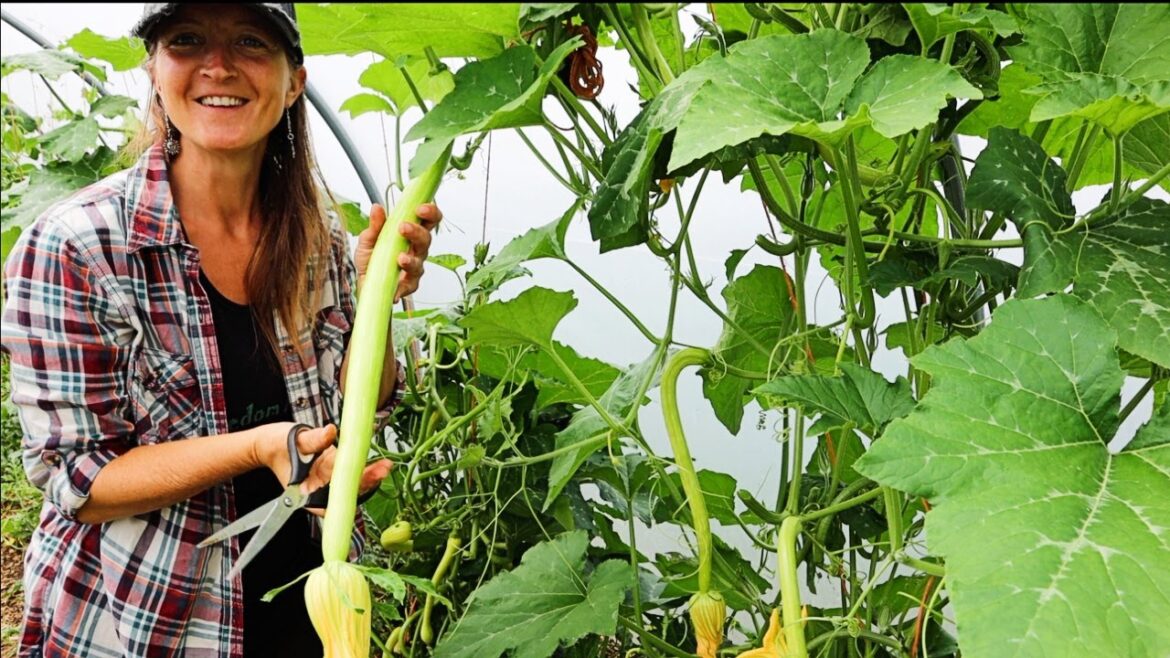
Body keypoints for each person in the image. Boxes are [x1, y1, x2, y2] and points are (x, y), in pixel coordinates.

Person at [0, 3, 442, 656]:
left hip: (306, 597)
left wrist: (375, 292)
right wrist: (261, 446)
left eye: (250, 41)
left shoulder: (315, 233)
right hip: (150, 616)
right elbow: (80, 480)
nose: (218, 65)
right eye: (186, 40)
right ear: (154, 69)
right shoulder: (75, 245)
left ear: (295, 81)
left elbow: (361, 401)